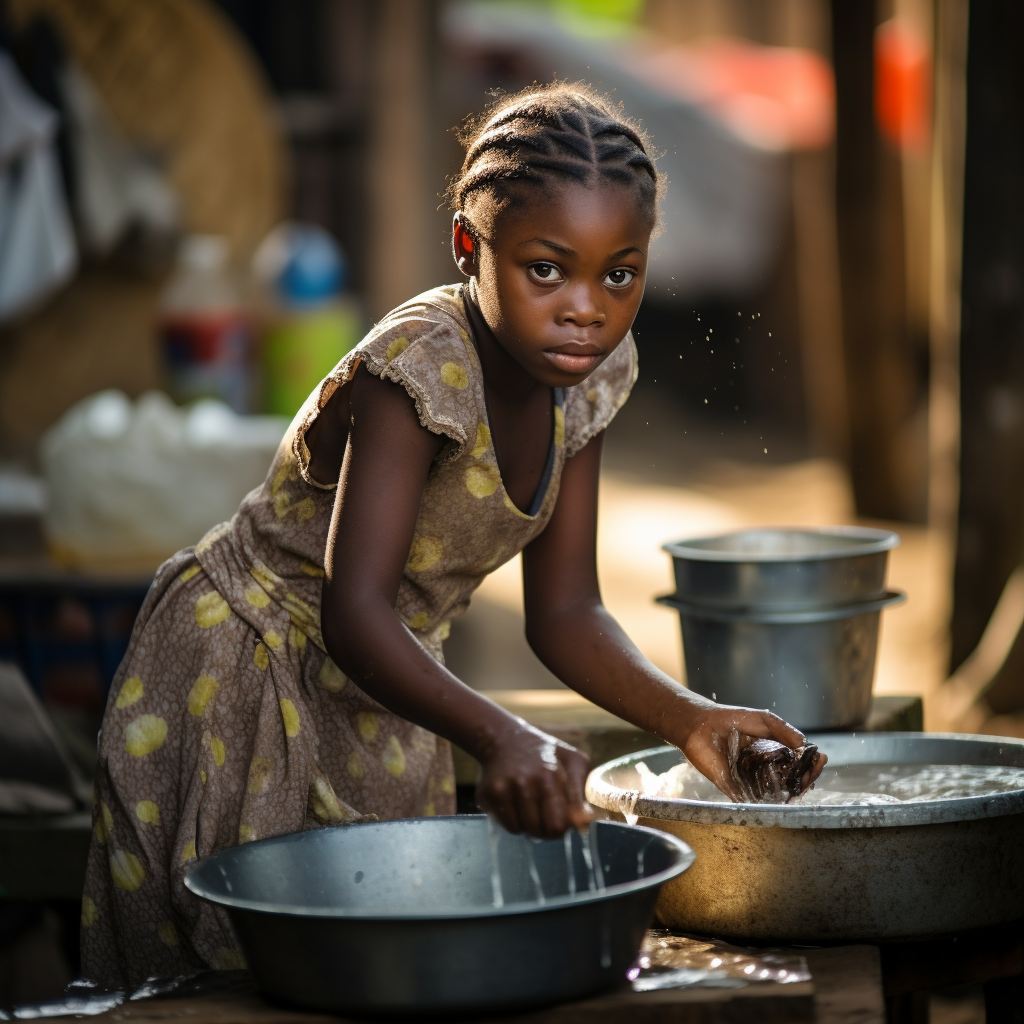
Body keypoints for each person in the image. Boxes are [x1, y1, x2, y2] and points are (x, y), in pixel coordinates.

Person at [81, 82, 825, 988]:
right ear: (472, 249)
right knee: (235, 979)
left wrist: (690, 720)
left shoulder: (589, 379)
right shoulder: (419, 369)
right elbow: (353, 609)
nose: (586, 307)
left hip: (392, 696)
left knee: (383, 972)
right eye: (546, 269)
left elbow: (565, 612)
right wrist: (502, 735)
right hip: (245, 670)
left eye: (618, 273)